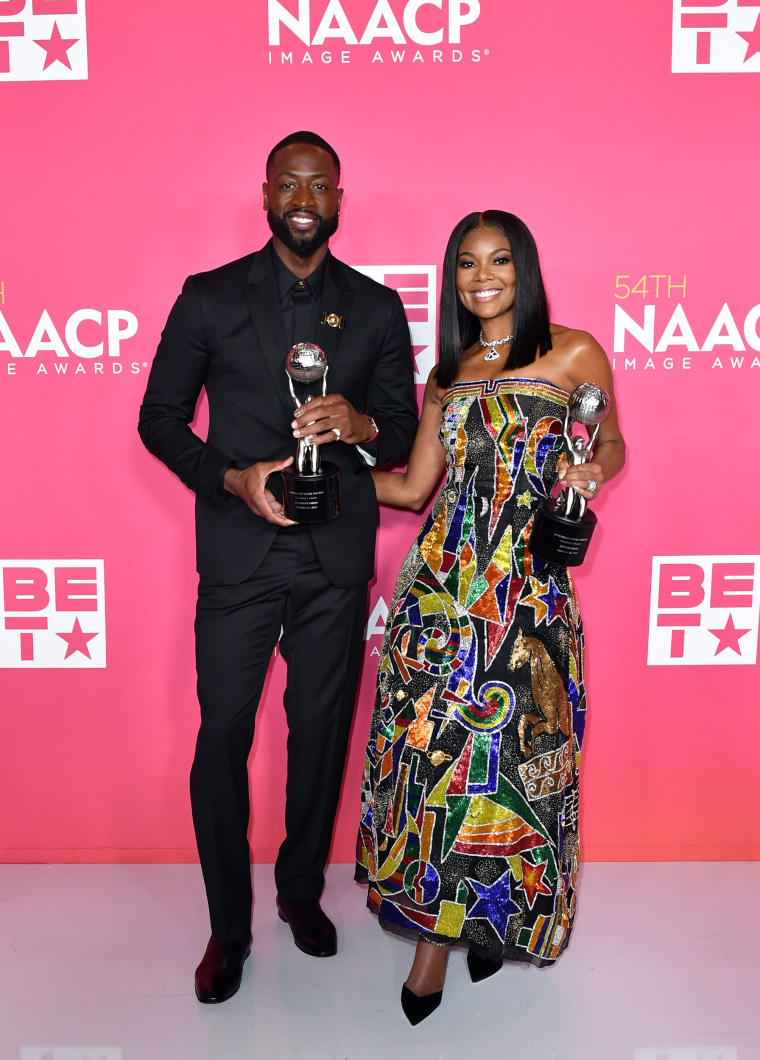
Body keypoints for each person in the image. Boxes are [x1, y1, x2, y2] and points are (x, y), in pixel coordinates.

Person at [138, 131, 418, 1004]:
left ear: (339, 198)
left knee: (320, 732)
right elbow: (159, 420)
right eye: (289, 182)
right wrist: (234, 477)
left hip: (334, 553)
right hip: (240, 549)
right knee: (222, 731)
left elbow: (406, 435)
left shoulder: (375, 309)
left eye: (320, 183)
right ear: (265, 195)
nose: (304, 196)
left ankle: (300, 891)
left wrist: (360, 426)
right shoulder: (209, 297)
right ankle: (229, 928)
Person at [355, 211, 625, 1024]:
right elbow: (411, 489)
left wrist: (592, 469)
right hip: (440, 592)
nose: (483, 277)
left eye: (499, 260)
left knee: (514, 757)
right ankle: (435, 940)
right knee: (435, 758)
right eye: (468, 264)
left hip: (532, 594)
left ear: (524, 267)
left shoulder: (574, 352)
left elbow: (612, 444)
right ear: (453, 277)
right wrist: (327, 469)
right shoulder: (446, 374)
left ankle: (493, 915)